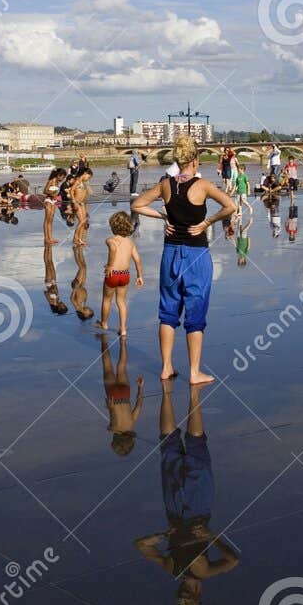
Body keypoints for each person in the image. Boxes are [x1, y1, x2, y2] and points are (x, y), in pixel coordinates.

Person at [131, 136, 236, 385]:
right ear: (195, 161)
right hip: (196, 255)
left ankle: (167, 367)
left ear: (179, 161)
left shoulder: (166, 185)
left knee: (167, 311)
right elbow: (230, 206)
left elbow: (137, 204)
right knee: (195, 313)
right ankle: (194, 372)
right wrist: (207, 222)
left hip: (170, 253)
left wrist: (161, 218)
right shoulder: (203, 186)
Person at [132, 379, 239, 605]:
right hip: (173, 508)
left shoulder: (204, 571)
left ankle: (194, 394)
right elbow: (140, 545)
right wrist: (162, 536)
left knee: (196, 448)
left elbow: (233, 561)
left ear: (197, 594)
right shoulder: (172, 568)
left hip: (199, 508)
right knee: (169, 446)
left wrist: (212, 537)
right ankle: (166, 390)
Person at [99, 210, 144, 336]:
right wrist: (140, 276)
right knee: (121, 301)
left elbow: (113, 249)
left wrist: (110, 265)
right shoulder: (130, 243)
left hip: (113, 274)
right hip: (125, 274)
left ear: (113, 225)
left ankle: (104, 323)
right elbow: (138, 260)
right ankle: (123, 328)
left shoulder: (110, 240)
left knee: (107, 299)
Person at [100, 334, 144, 456]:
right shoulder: (113, 428)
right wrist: (111, 408)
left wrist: (140, 388)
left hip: (125, 395)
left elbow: (139, 406)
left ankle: (123, 342)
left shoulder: (132, 423)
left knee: (121, 367)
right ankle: (104, 341)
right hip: (113, 398)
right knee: (107, 367)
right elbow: (113, 417)